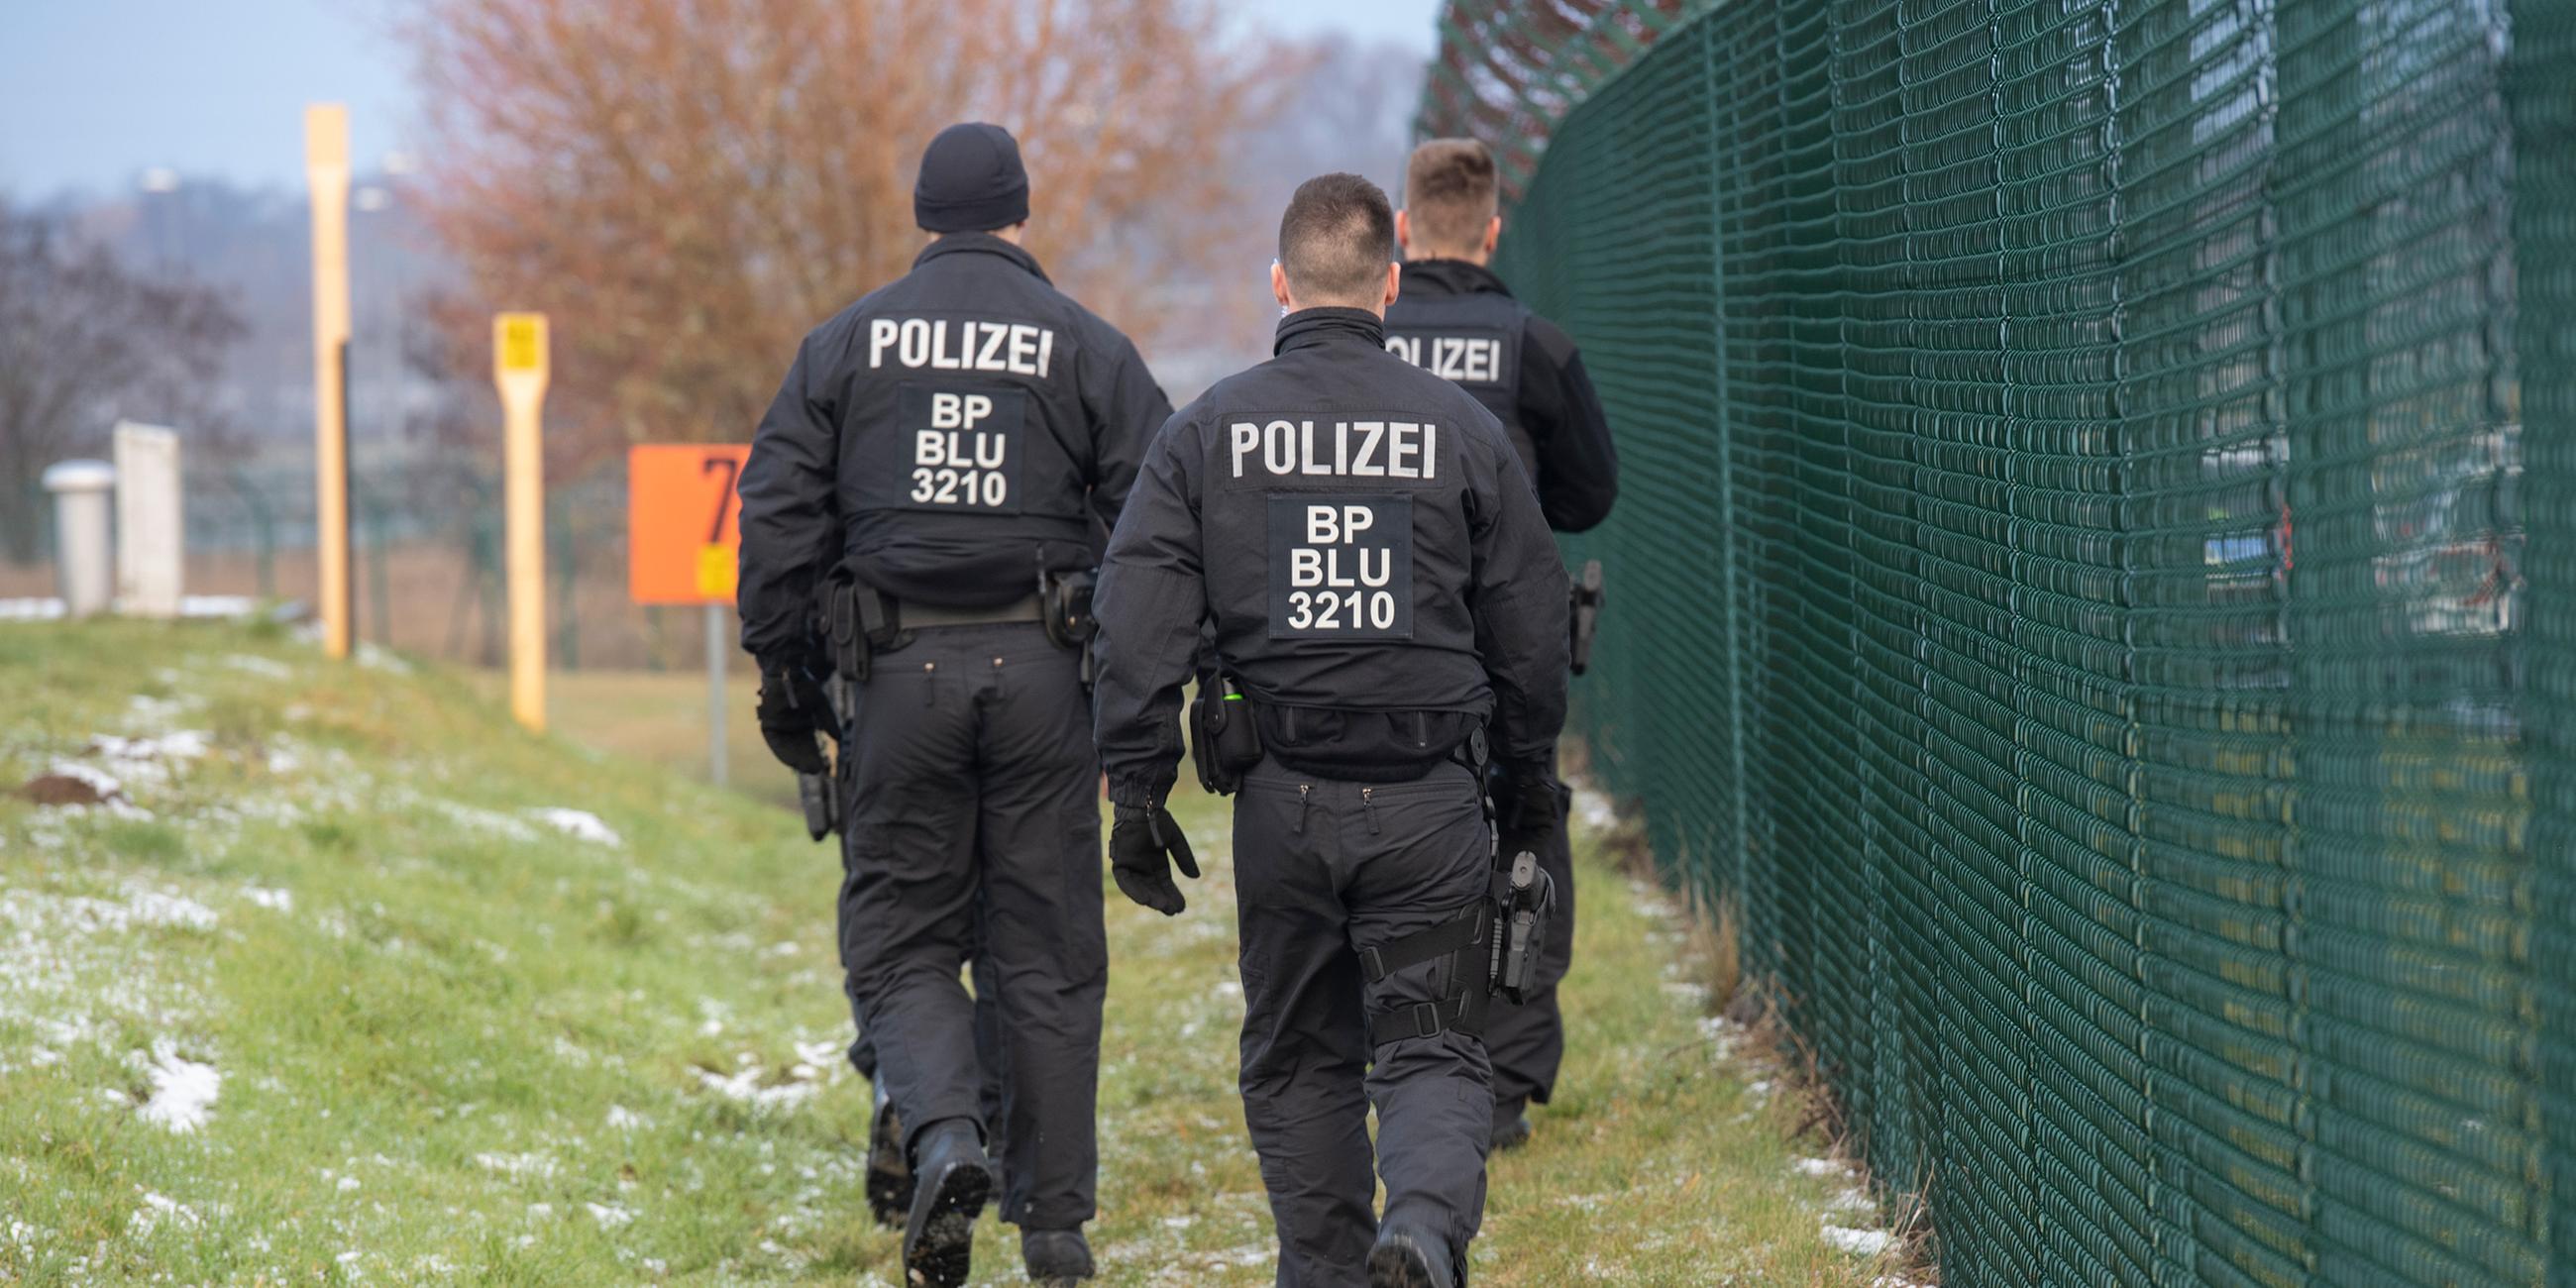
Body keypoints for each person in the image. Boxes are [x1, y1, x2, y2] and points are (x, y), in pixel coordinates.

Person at [1091, 172, 1570, 1288]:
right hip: (1428, 801)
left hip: (1283, 802)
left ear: (1279, 283)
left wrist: (1134, 786)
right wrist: (1527, 783)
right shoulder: (1458, 431)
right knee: (1434, 1045)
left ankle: (1329, 1270)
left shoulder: (1208, 431)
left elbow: (1138, 612)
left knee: (1299, 1055)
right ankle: (1421, 1230)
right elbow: (1530, 629)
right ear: (1388, 286)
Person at [735, 121, 1171, 1288]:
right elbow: (1157, 519)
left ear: (923, 217)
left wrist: (783, 676)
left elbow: (775, 515)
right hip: (1042, 679)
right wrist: (1128, 685)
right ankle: (1056, 1227)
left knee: (904, 938)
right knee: (1048, 951)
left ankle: (942, 1137)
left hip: (895, 679)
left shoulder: (843, 346)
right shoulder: (1085, 344)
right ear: (1020, 217)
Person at [1384, 138, 1618, 1151]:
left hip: (1381, 637)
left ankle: (1402, 1051)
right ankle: (1505, 1086)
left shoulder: (1360, 335)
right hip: (1507, 639)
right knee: (1522, 833)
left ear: (1399, 230)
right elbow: (1589, 491)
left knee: (1391, 836)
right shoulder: (1532, 344)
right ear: (1488, 230)